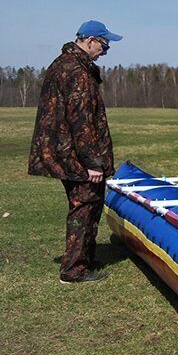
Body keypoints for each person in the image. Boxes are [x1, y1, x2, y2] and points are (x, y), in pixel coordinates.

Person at [28, 20, 123, 284]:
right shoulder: (77, 73)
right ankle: (74, 270)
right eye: (104, 45)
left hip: (63, 152)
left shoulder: (63, 64)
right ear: (91, 40)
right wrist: (93, 162)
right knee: (85, 206)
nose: (105, 51)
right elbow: (81, 121)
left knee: (85, 205)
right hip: (75, 155)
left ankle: (84, 259)